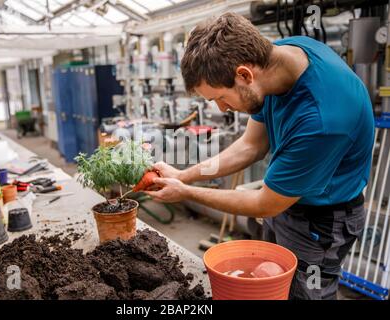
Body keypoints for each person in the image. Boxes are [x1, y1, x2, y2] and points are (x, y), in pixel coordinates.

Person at [145, 13, 375, 300]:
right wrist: (184, 175)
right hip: (287, 204)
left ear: (244, 75)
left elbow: (265, 204)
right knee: (271, 286)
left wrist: (186, 192)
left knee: (307, 295)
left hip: (323, 222)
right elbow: (250, 146)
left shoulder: (321, 120)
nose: (222, 108)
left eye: (220, 97)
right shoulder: (279, 58)